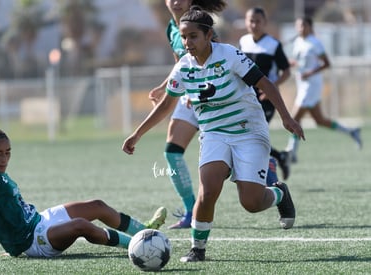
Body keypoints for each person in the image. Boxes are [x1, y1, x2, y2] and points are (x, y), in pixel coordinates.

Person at [123, 6, 305, 262]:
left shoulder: (229, 55)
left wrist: (287, 117)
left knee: (251, 203)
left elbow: (264, 83)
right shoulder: (183, 67)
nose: (187, 42)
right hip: (214, 133)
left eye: (193, 36)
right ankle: (198, 249)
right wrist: (136, 135)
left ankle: (279, 193)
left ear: (209, 36)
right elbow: (166, 104)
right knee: (208, 190)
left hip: (248, 131)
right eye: (184, 37)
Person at [0, 127, 167, 262]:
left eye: (8, 152)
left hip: (40, 220)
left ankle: (145, 230)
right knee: (80, 225)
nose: (5, 158)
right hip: (33, 241)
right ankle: (139, 245)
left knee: (97, 205)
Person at [148, 0, 227, 229]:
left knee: (235, 164)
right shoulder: (172, 29)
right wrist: (164, 86)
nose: (175, 1)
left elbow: (218, 59)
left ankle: (271, 180)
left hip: (212, 96)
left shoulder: (200, 24)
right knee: (172, 152)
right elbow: (181, 64)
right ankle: (191, 209)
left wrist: (202, 87)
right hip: (188, 97)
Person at [286, 16, 362, 162]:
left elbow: (327, 63)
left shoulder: (315, 43)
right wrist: (291, 63)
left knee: (294, 118)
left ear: (309, 26)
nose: (299, 28)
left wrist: (310, 72)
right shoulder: (298, 41)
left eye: (302, 25)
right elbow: (300, 61)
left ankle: (291, 153)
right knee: (319, 120)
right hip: (301, 84)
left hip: (311, 85)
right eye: (298, 26)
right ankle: (352, 132)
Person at [239, 7, 292, 180]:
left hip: (266, 99)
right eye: (251, 21)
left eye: (258, 21)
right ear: (246, 22)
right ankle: (279, 158)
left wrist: (271, 88)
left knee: (255, 135)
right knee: (248, 135)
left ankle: (267, 174)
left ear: (265, 23)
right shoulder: (243, 41)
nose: (254, 24)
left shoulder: (273, 45)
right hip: (246, 98)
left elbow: (286, 72)